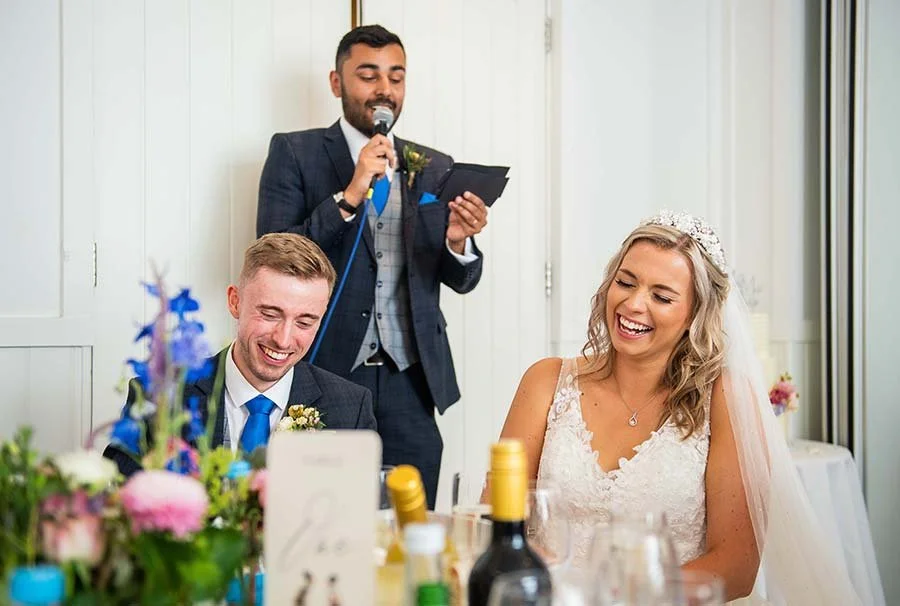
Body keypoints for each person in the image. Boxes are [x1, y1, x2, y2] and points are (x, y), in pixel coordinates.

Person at [498, 211, 861, 604]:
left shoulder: (726, 401)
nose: (633, 304)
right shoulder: (546, 382)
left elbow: (737, 565)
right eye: (625, 282)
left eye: (662, 296)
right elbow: (495, 521)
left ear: (695, 313)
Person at [256, 25, 489, 508]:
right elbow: (273, 255)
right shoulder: (295, 152)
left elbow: (460, 278)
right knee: (322, 512)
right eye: (368, 74)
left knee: (413, 520)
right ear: (337, 82)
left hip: (412, 377)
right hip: (327, 366)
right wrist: (350, 193)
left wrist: (458, 242)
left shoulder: (433, 165)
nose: (384, 89)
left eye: (396, 77)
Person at [105, 233, 377, 476]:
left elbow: (359, 522)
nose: (283, 340)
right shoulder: (160, 395)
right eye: (270, 314)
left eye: (305, 322)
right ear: (235, 301)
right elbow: (119, 509)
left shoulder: (351, 409)